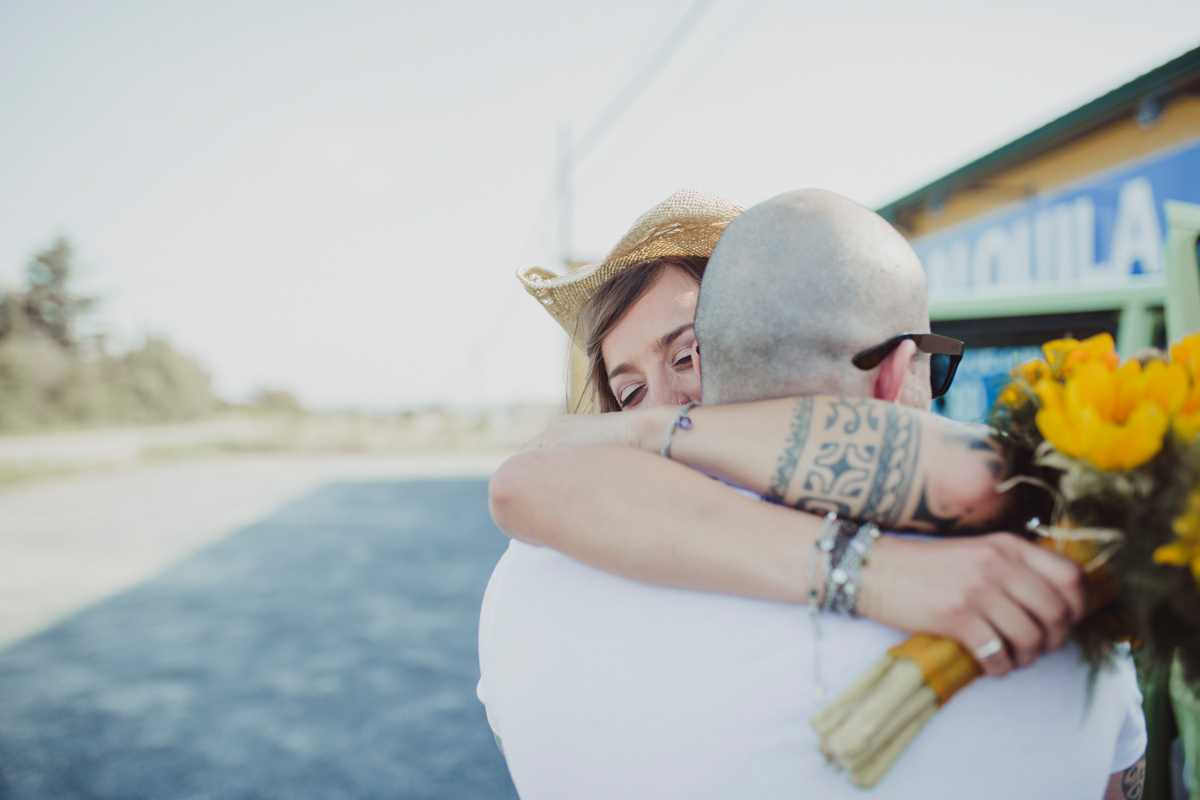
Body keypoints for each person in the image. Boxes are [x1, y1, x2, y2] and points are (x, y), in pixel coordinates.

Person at [479, 188, 1147, 798]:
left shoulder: (527, 580)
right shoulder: (1044, 569)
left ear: (744, 328)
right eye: (628, 396)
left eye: (687, 356)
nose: (665, 403)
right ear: (894, 371)